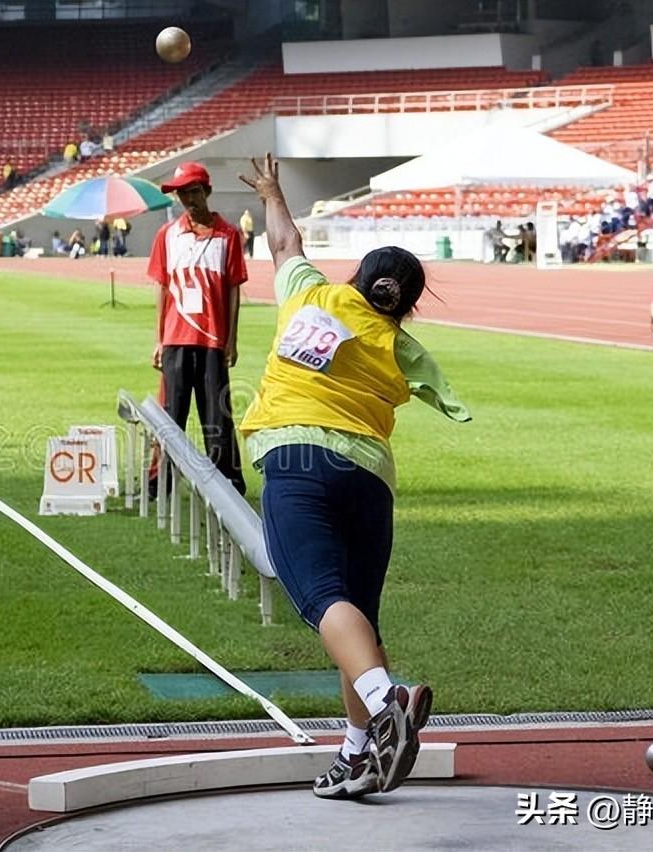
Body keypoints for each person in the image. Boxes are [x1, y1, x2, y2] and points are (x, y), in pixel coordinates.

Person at [238, 153, 470, 800]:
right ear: (409, 305)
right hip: (370, 477)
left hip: (298, 459)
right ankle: (357, 751)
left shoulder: (310, 292)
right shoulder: (404, 347)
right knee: (359, 622)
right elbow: (444, 396)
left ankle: (385, 696)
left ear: (357, 277)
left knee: (320, 600)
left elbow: (284, 240)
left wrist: (271, 191)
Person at [147, 161, 248, 497]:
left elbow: (234, 290)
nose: (187, 199)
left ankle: (227, 484)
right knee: (170, 414)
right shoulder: (167, 236)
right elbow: (162, 289)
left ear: (207, 191)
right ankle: (160, 482)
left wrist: (231, 340)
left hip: (213, 340)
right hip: (176, 339)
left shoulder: (229, 235)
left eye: (192, 191)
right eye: (181, 194)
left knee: (217, 415)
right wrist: (159, 340)